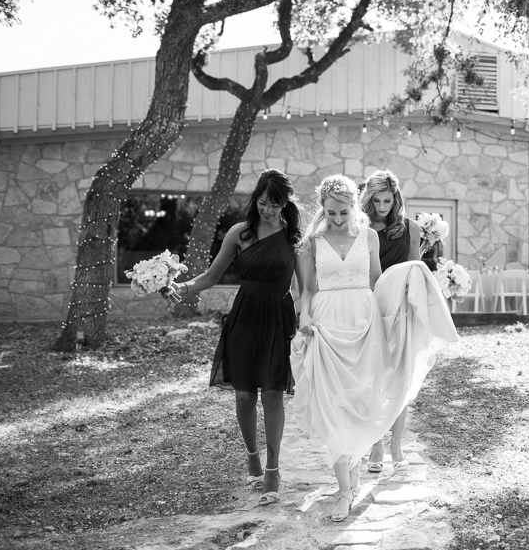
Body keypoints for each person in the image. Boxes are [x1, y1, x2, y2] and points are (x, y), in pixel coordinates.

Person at [290, 175, 458, 522]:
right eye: (331, 213)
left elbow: (377, 282)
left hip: (364, 321)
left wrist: (404, 300)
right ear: (322, 209)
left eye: (343, 212)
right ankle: (344, 489)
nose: (337, 219)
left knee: (362, 401)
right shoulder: (311, 241)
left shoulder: (367, 237)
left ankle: (354, 463)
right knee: (332, 404)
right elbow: (307, 290)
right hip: (326, 323)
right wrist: (304, 318)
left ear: (354, 207)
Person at [161, 169, 304, 506]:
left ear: (285, 205)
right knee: (243, 396)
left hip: (279, 319)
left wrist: (306, 316)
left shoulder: (294, 238)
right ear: (255, 199)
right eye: (263, 202)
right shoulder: (240, 234)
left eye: (275, 204)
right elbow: (211, 277)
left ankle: (273, 469)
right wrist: (178, 286)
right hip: (244, 316)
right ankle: (252, 453)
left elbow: (305, 288)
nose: (267, 210)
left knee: (272, 394)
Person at [360, 169, 420, 473]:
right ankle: (376, 445)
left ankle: (396, 445)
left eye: (387, 200)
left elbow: (415, 270)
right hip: (369, 308)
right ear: (368, 199)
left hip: (400, 310)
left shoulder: (411, 229)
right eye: (377, 200)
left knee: (399, 378)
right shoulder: (360, 228)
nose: (382, 206)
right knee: (372, 378)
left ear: (396, 198)